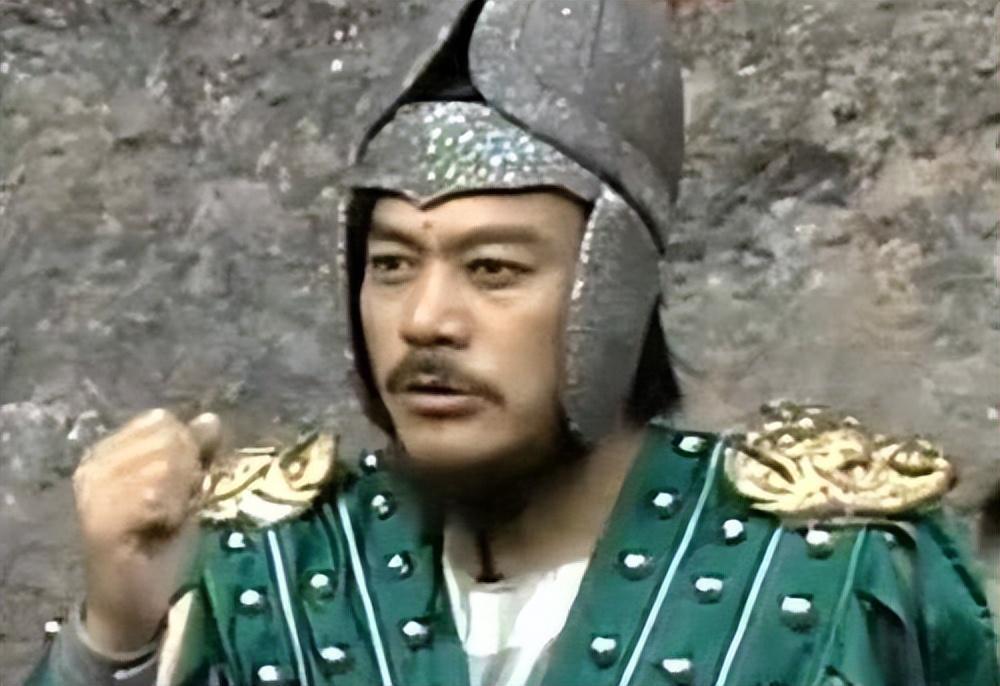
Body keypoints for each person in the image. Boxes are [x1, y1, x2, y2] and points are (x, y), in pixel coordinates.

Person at [26, 1, 999, 685]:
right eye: (392, 263)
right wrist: (116, 637)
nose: (425, 318)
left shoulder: (833, 571)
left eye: (492, 268)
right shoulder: (268, 571)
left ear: (614, 291)